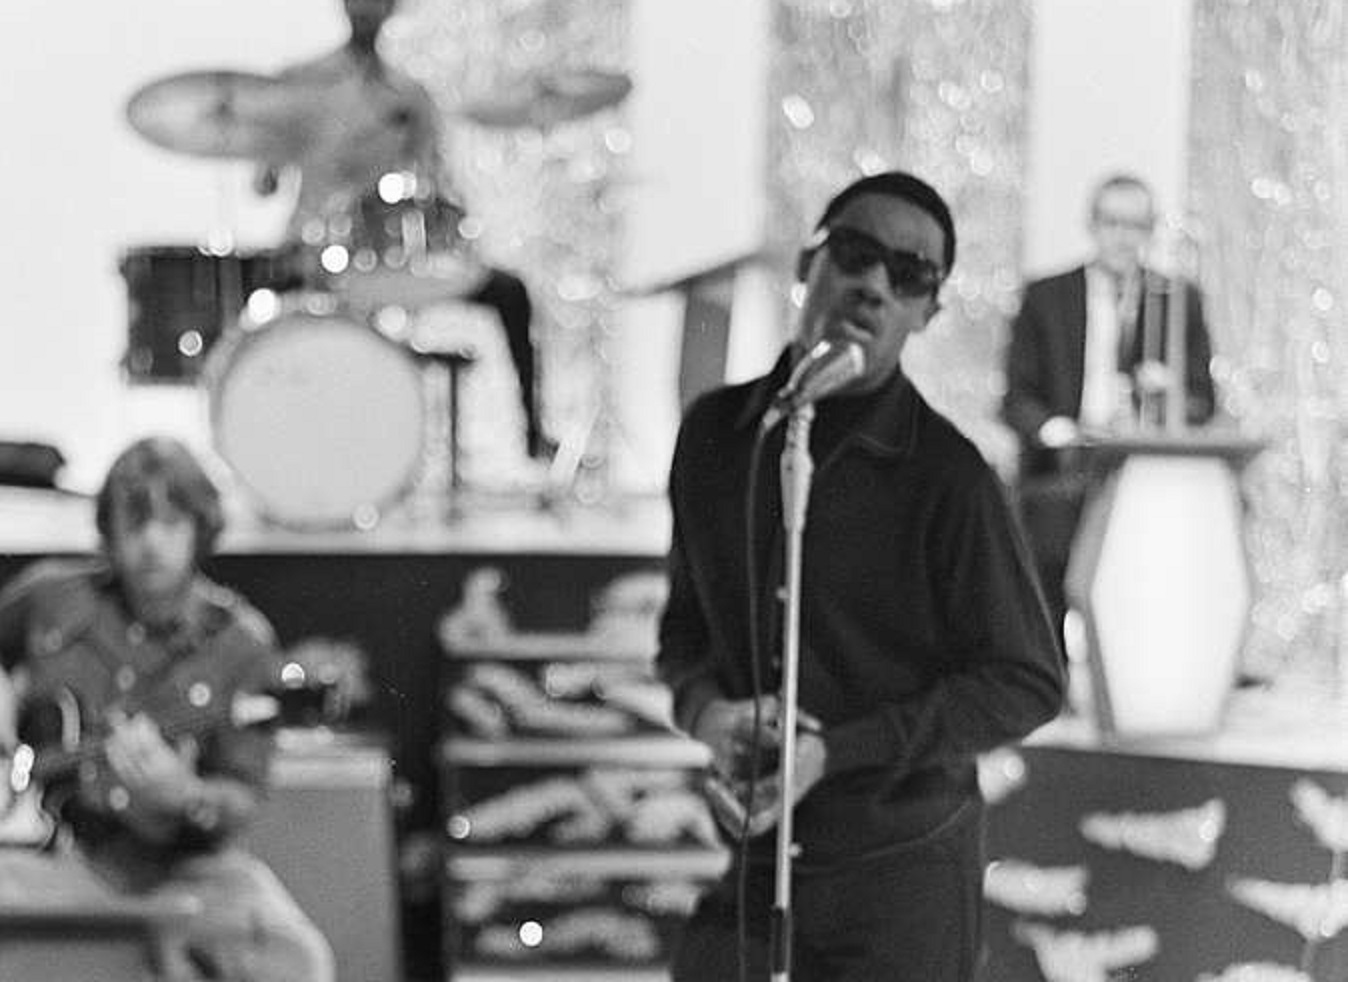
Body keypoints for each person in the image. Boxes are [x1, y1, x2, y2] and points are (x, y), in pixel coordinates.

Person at [656, 171, 1065, 980]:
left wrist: (837, 752)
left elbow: (1027, 681)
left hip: (900, 872)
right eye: (855, 253)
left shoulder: (951, 477)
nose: (875, 284)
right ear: (809, 263)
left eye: (909, 275)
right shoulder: (715, 435)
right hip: (756, 863)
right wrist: (709, 714)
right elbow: (683, 638)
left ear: (927, 312)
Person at [0, 437, 334, 982]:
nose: (152, 542)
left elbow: (243, 794)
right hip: (56, 851)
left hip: (182, 866)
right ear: (109, 530)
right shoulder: (51, 596)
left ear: (201, 529)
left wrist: (184, 794)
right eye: (135, 523)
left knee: (294, 957)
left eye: (171, 523)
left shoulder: (241, 642)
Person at [255, 0, 552, 458]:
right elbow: (264, 181)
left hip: (391, 254)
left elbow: (438, 180)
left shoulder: (410, 96)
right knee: (248, 289)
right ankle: (268, 436)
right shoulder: (299, 83)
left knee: (510, 291)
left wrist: (448, 222)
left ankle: (533, 436)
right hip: (313, 252)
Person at [1001, 173, 1217, 647]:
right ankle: (1050, 669)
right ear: (1093, 224)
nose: (1123, 237)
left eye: (1136, 225)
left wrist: (1167, 395)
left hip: (1143, 472)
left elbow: (1204, 401)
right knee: (1050, 556)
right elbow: (1017, 398)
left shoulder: (1176, 299)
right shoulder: (1046, 296)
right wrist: (1055, 430)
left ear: (1150, 230)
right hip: (1064, 469)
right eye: (1113, 222)